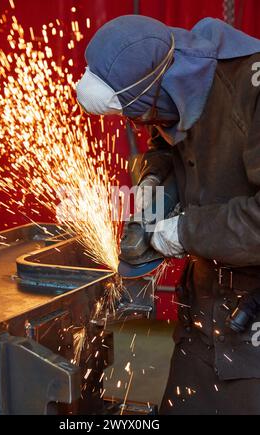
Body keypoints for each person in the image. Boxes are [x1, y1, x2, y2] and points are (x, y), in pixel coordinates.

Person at [76, 15, 260, 415]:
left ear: (154, 90)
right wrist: (153, 176)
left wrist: (183, 232)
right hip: (203, 312)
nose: (142, 125)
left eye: (140, 116)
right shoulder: (171, 77)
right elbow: (167, 144)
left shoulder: (251, 90)